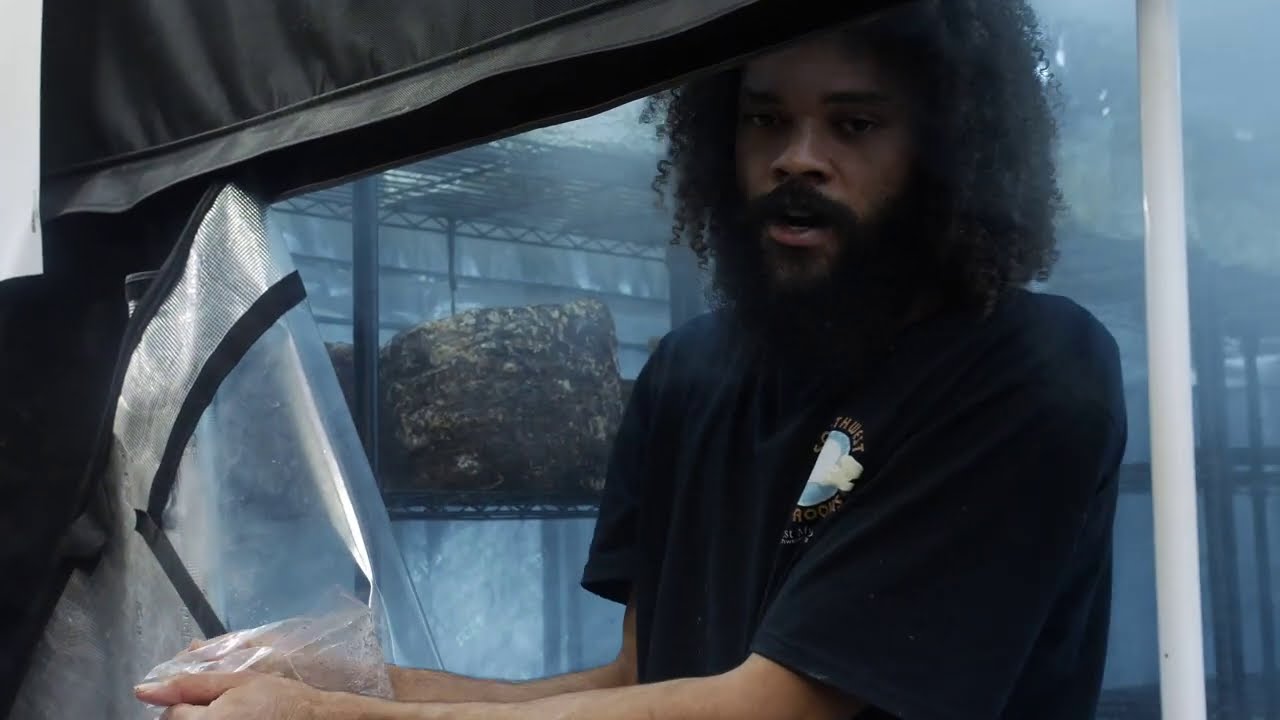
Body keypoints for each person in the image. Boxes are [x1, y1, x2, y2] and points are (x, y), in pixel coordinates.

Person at [136, 0, 1126, 717]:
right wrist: (345, 681)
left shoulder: (1026, 371)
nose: (796, 158)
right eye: (763, 118)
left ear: (946, 150)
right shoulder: (690, 375)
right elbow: (640, 687)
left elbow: (766, 708)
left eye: (853, 124)